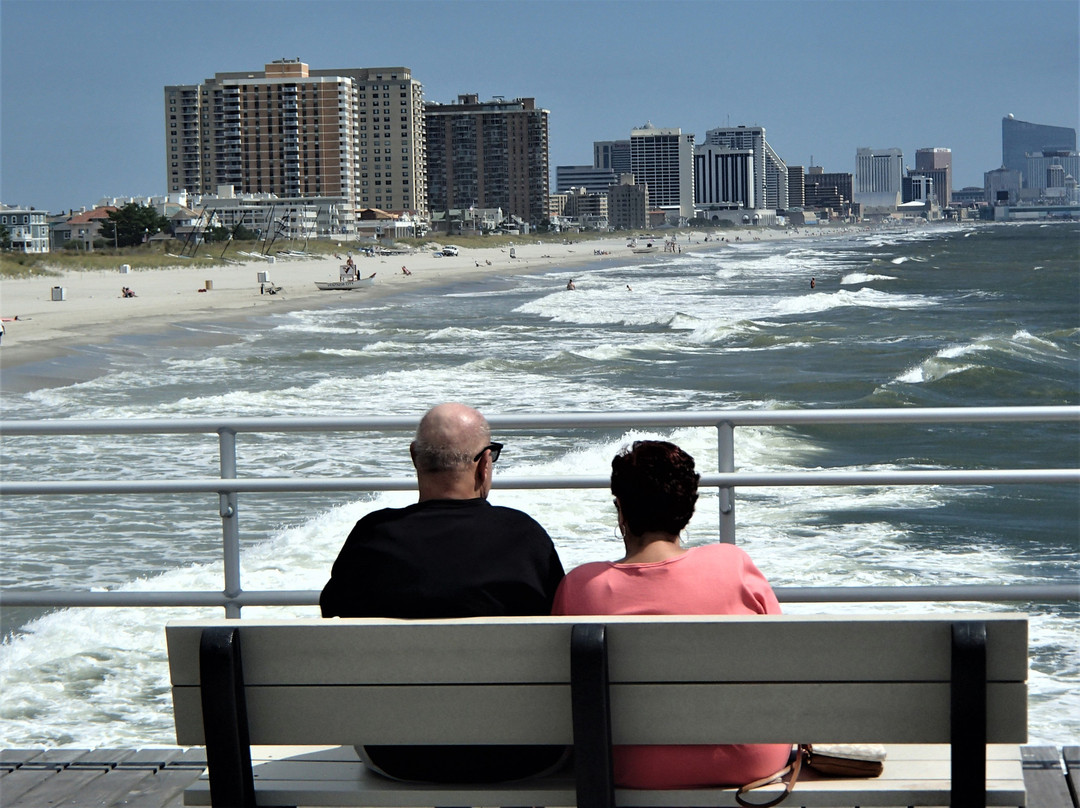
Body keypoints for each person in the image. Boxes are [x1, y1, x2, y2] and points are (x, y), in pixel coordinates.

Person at [321, 402, 567, 783]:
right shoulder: (524, 538)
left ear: (415, 457)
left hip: (397, 753)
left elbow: (333, 617)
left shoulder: (371, 538)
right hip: (521, 753)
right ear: (484, 464)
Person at [552, 440, 792, 788]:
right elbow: (783, 660)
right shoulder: (732, 565)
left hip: (625, 766)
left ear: (621, 509)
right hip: (748, 759)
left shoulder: (581, 585)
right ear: (687, 508)